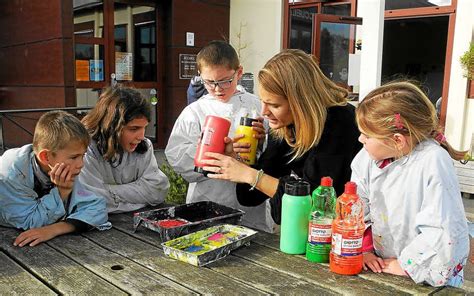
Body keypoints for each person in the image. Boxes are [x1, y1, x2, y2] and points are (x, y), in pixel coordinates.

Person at [201, 49, 362, 224]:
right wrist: (244, 158)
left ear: (301, 102)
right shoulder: (285, 125)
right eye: (263, 101)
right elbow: (250, 196)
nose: (264, 112)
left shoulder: (339, 123)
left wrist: (251, 175)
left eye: (274, 105)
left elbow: (319, 204)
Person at [351, 81, 469, 287]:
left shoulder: (432, 161)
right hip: (382, 266)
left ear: (397, 140)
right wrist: (365, 249)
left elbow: (443, 227)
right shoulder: (366, 158)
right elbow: (358, 208)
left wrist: (408, 265)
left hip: (428, 275)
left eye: (367, 135)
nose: (360, 139)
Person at [165, 40, 273, 232]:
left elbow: (275, 155)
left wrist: (264, 140)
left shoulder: (258, 106)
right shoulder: (195, 111)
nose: (217, 88)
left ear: (238, 73)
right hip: (209, 197)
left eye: (225, 81)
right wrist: (220, 151)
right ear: (200, 77)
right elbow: (176, 155)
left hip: (251, 203)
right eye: (209, 82)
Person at [0, 111, 110, 247]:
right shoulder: (11, 171)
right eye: (74, 157)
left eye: (83, 155)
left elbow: (97, 207)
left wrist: (55, 229)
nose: (81, 164)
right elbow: (29, 222)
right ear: (46, 157)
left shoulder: (63, 167)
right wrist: (61, 192)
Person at [79, 87, 170, 213]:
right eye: (133, 129)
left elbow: (158, 190)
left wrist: (108, 191)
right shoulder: (86, 149)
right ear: (111, 126)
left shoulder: (144, 146)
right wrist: (140, 198)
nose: (141, 136)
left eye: (144, 128)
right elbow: (91, 200)